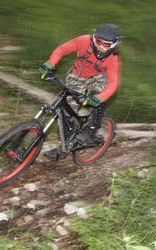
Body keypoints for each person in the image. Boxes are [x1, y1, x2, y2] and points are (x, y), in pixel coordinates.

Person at [39, 23, 121, 160]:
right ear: (94, 38)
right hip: (78, 77)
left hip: (98, 78)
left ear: (113, 45)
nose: (101, 46)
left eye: (106, 44)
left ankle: (92, 130)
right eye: (99, 41)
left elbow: (113, 83)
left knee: (97, 97)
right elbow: (62, 49)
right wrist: (50, 63)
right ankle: (64, 146)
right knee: (64, 113)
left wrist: (101, 97)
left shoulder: (113, 59)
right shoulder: (84, 40)